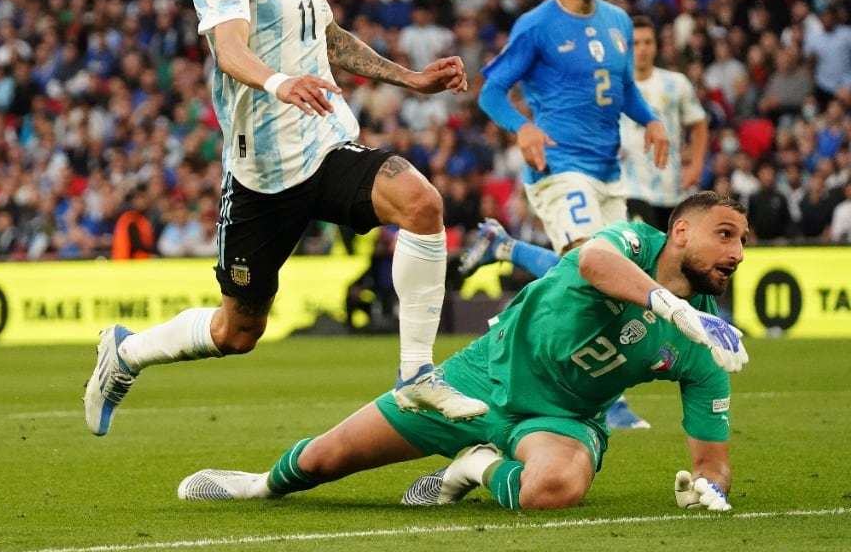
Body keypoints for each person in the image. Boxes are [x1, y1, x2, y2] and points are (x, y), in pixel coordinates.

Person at [83, 0, 486, 436]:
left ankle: (416, 376)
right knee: (237, 332)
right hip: (261, 172)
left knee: (421, 201)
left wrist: (409, 78)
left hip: (323, 144)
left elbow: (325, 38)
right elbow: (229, 49)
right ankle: (126, 352)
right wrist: (278, 83)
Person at [177, 192, 749, 512]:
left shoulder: (709, 340)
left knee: (555, 490)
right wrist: (671, 307)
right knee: (323, 461)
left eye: (744, 240)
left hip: (561, 419)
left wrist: (708, 488)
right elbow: (594, 263)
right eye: (726, 234)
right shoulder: (630, 242)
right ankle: (257, 483)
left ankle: (474, 465)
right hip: (474, 380)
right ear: (679, 233)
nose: (739, 251)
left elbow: (712, 460)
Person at [459, 0, 670, 431]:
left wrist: (651, 119)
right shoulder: (537, 26)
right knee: (592, 267)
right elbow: (491, 91)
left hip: (608, 174)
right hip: (558, 167)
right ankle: (605, 401)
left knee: (618, 279)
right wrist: (522, 126)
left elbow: (623, 91)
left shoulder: (618, 21)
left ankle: (503, 246)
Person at [620, 15, 709, 232]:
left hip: (670, 186)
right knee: (643, 251)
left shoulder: (675, 83)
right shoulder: (615, 87)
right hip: (629, 187)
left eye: (647, 42)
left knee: (667, 255)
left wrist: (696, 165)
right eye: (636, 43)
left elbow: (698, 123)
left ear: (656, 46)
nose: (642, 49)